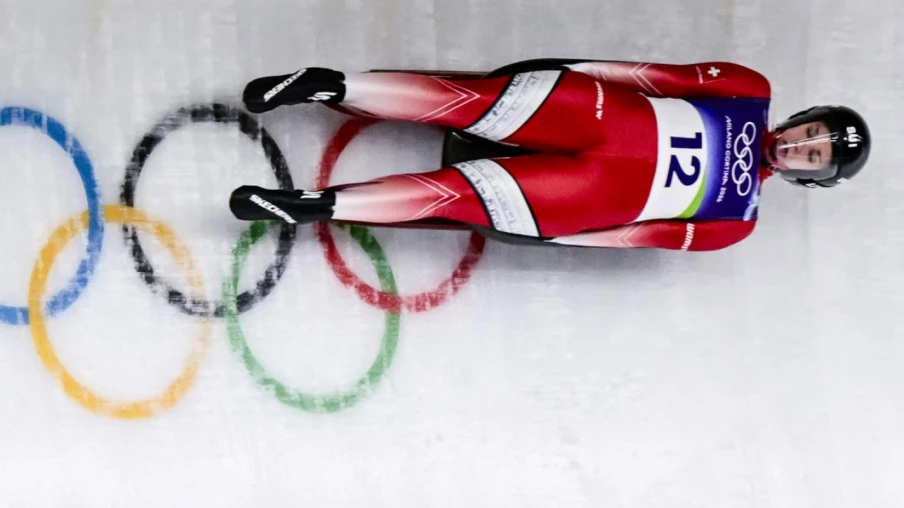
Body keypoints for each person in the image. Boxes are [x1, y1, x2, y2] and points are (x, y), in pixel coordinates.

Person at [229, 59, 871, 251]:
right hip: (598, 112)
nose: (800, 146)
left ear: (810, 176)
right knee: (469, 102)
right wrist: (571, 70)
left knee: (456, 192)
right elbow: (655, 77)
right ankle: (332, 86)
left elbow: (633, 236)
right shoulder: (750, 90)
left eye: (813, 156)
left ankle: (314, 205)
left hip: (584, 192)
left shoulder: (736, 222)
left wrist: (556, 236)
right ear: (804, 116)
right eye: (811, 133)